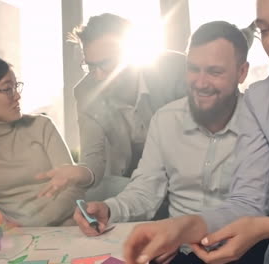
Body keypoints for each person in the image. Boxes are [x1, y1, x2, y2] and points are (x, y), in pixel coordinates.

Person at [74, 21, 269, 264]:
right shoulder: (165, 120)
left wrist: (186, 230)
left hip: (248, 246)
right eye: (193, 69)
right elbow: (145, 190)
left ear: (242, 72)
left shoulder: (262, 120)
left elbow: (256, 204)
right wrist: (109, 209)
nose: (200, 82)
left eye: (214, 72)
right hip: (181, 251)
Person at [123, 0, 269, 263]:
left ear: (241, 72)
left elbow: (264, 221)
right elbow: (246, 201)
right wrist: (185, 227)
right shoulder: (261, 101)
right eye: (265, 29)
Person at [0, 56, 91, 228]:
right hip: (14, 237)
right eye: (8, 89)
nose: (17, 95)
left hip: (65, 227)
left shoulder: (42, 126)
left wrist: (33, 224)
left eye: (16, 86)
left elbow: (73, 186)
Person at [67, 13, 187, 200]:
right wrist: (80, 174)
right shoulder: (85, 91)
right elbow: (93, 157)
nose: (98, 76)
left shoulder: (175, 69)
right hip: (131, 178)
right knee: (90, 195)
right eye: (90, 66)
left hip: (183, 169)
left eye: (105, 64)